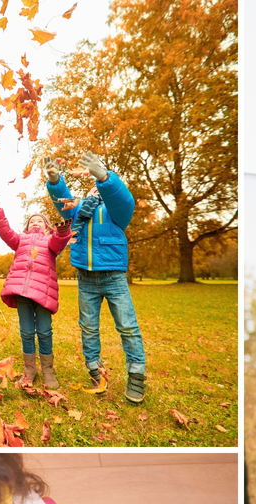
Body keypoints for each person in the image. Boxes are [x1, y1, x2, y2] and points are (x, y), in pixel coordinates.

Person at [45, 152, 147, 403]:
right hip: (86, 279)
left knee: (127, 327)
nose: (95, 187)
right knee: (89, 328)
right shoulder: (79, 211)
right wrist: (55, 181)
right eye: (93, 184)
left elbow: (123, 198)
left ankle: (136, 376)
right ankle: (95, 373)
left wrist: (104, 177)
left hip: (114, 278)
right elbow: (62, 200)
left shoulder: (117, 212)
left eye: (99, 184)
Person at [0, 197, 72, 388]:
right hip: (22, 292)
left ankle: (48, 370)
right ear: (26, 227)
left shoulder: (50, 240)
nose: (35, 222)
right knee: (26, 332)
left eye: (39, 220)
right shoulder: (20, 240)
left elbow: (59, 242)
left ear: (47, 227)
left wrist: (62, 231)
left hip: (43, 293)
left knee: (44, 331)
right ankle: (30, 369)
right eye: (31, 221)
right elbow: (5, 231)